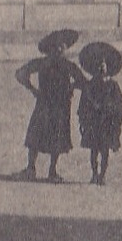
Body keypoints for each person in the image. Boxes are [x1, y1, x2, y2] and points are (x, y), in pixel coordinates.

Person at [13, 29, 85, 182]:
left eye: (63, 46)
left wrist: (72, 87)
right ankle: (30, 168)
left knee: (57, 137)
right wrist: (33, 89)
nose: (60, 50)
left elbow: (82, 82)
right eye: (57, 46)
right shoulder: (42, 63)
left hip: (61, 106)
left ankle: (52, 171)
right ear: (50, 49)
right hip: (45, 104)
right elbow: (20, 73)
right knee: (35, 135)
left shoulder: (69, 66)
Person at [77, 41, 122, 186]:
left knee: (105, 151)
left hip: (106, 123)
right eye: (99, 64)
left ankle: (102, 175)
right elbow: (83, 104)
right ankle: (93, 174)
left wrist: (110, 109)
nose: (101, 66)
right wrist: (85, 117)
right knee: (93, 150)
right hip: (94, 123)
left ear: (108, 67)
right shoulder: (90, 86)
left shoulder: (113, 85)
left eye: (104, 64)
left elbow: (120, 104)